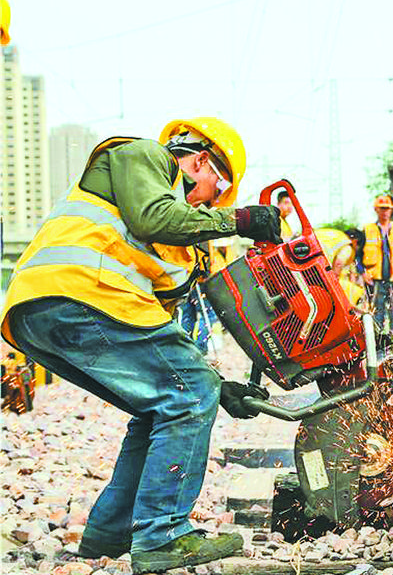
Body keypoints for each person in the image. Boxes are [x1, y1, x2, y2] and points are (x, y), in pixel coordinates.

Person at [0, 118, 280, 573]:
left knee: (164, 403)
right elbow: (155, 217)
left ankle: (110, 533)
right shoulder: (145, 156)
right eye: (216, 191)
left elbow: (159, 339)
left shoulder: (177, 247)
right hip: (79, 293)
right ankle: (163, 534)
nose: (208, 204)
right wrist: (241, 220)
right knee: (186, 395)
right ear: (201, 161)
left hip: (48, 312)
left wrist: (215, 386)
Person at [360, 195, 393, 339]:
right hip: (376, 281)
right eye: (382, 209)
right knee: (377, 314)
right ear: (376, 210)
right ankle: (378, 345)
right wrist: (362, 272)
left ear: (391, 210)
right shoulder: (368, 230)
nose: (385, 212)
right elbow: (358, 255)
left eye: (387, 209)